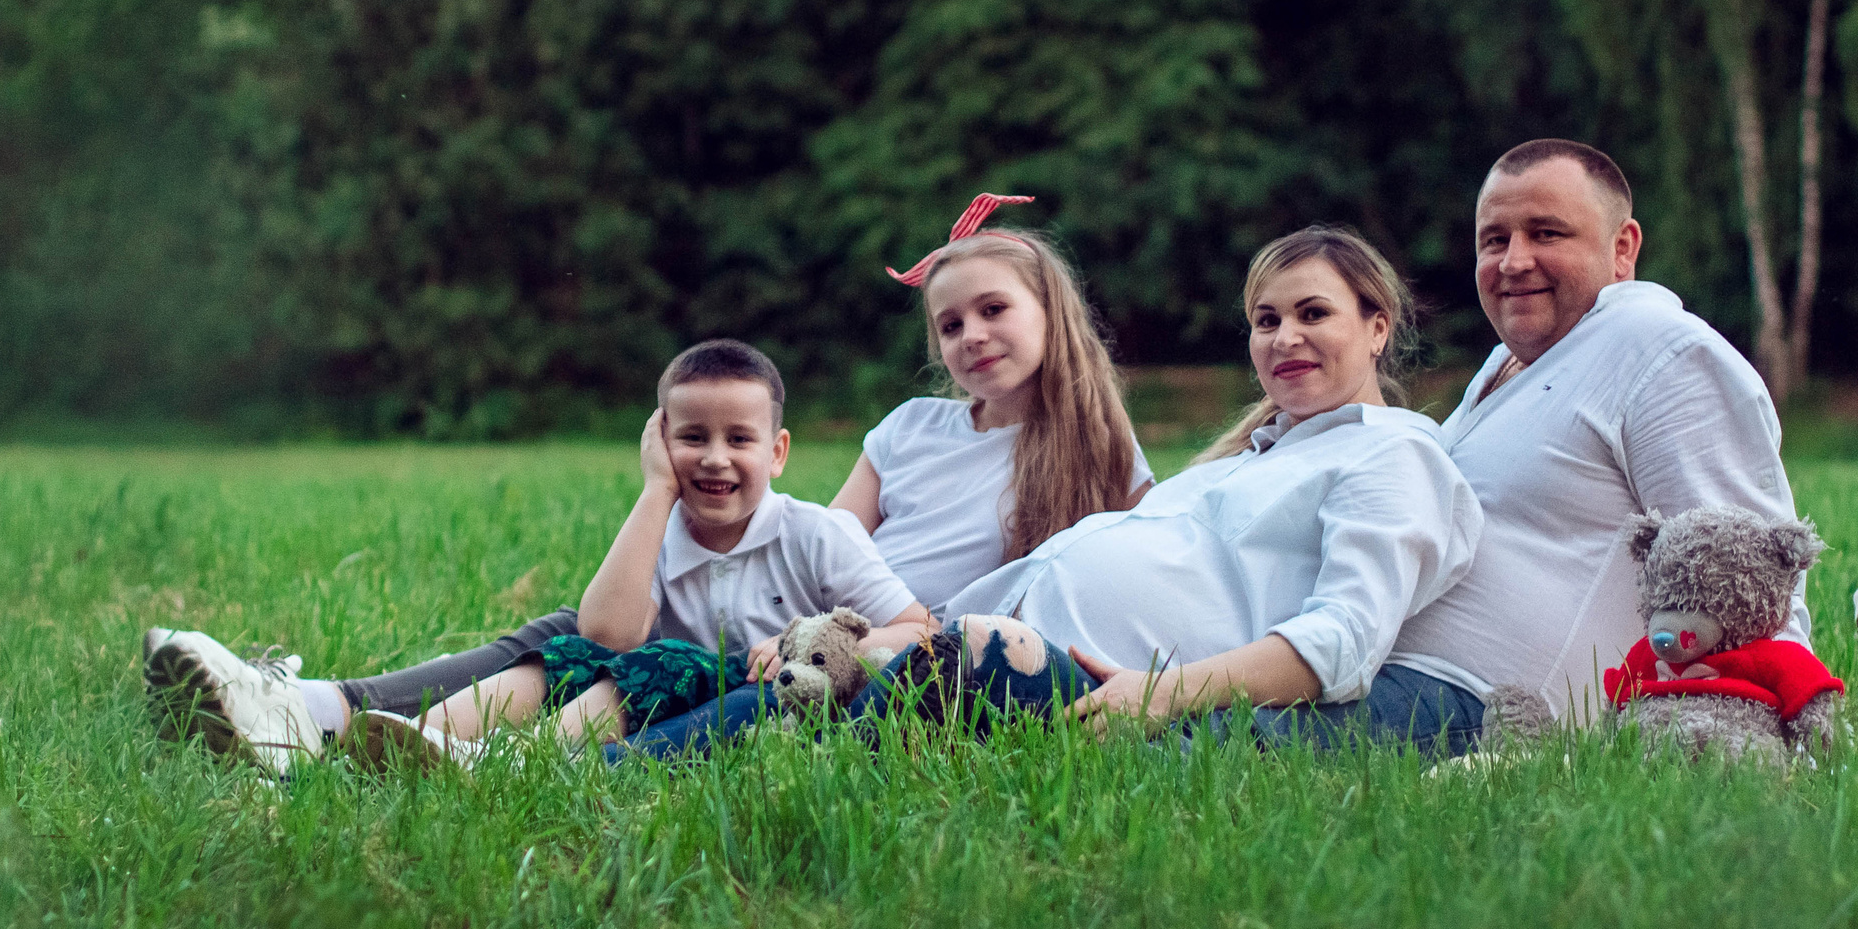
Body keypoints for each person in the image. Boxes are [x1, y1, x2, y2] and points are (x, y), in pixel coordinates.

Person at [146, 339, 928, 773]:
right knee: (567, 637)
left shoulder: (817, 533)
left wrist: (817, 639)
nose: (715, 458)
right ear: (660, 440)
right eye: (691, 437)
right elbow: (606, 631)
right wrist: (655, 494)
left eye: (739, 440)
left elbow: (917, 628)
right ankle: (334, 723)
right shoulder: (662, 524)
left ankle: (483, 758)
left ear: (780, 450)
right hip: (644, 686)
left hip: (753, 713)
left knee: (656, 664)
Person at [862, 225, 1483, 752]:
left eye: (1313, 313)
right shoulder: (1243, 460)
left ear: (1378, 328)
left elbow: (1343, 641)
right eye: (1266, 320)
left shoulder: (1394, 452)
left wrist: (1163, 694)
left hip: (1085, 686)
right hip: (979, 642)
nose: (1284, 337)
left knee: (859, 709)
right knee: (801, 686)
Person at [608, 192, 1154, 758]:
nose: (970, 335)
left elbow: (1143, 575)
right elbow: (829, 536)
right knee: (600, 624)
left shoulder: (1102, 452)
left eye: (993, 310)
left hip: (930, 661)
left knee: (770, 701)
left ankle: (611, 766)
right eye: (950, 324)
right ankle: (518, 689)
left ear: (1051, 311)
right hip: (823, 617)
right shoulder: (912, 426)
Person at [1385, 138, 1814, 723]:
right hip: (1396, 680)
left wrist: (1781, 737)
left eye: (1546, 234)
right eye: (1495, 240)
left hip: (1492, 716)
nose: (1513, 261)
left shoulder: (1660, 351)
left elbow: (1747, 576)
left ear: (1622, 248)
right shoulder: (1508, 365)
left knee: (1235, 735)